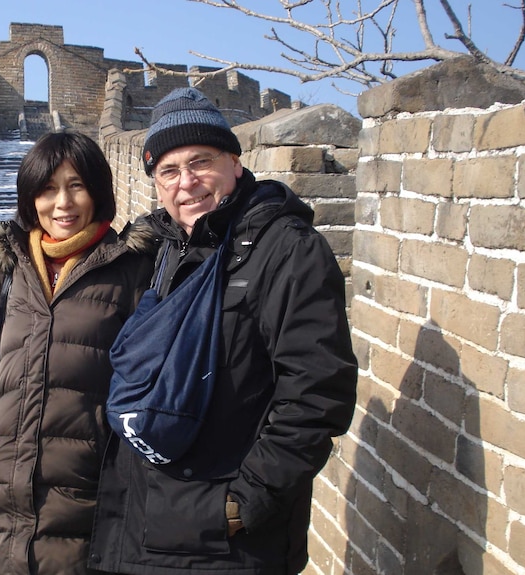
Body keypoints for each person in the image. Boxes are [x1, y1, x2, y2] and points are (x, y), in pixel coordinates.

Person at [87, 87, 358, 574]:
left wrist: (244, 503)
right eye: (168, 171)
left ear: (235, 162)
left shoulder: (285, 249)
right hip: (147, 527)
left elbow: (318, 391)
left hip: (225, 543)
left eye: (201, 162)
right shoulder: (160, 249)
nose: (186, 182)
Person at [0, 130, 156, 575]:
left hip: (89, 499)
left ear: (98, 191)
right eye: (48, 188)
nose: (62, 203)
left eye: (76, 186)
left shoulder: (133, 272)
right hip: (1, 502)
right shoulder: (8, 273)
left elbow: (151, 386)